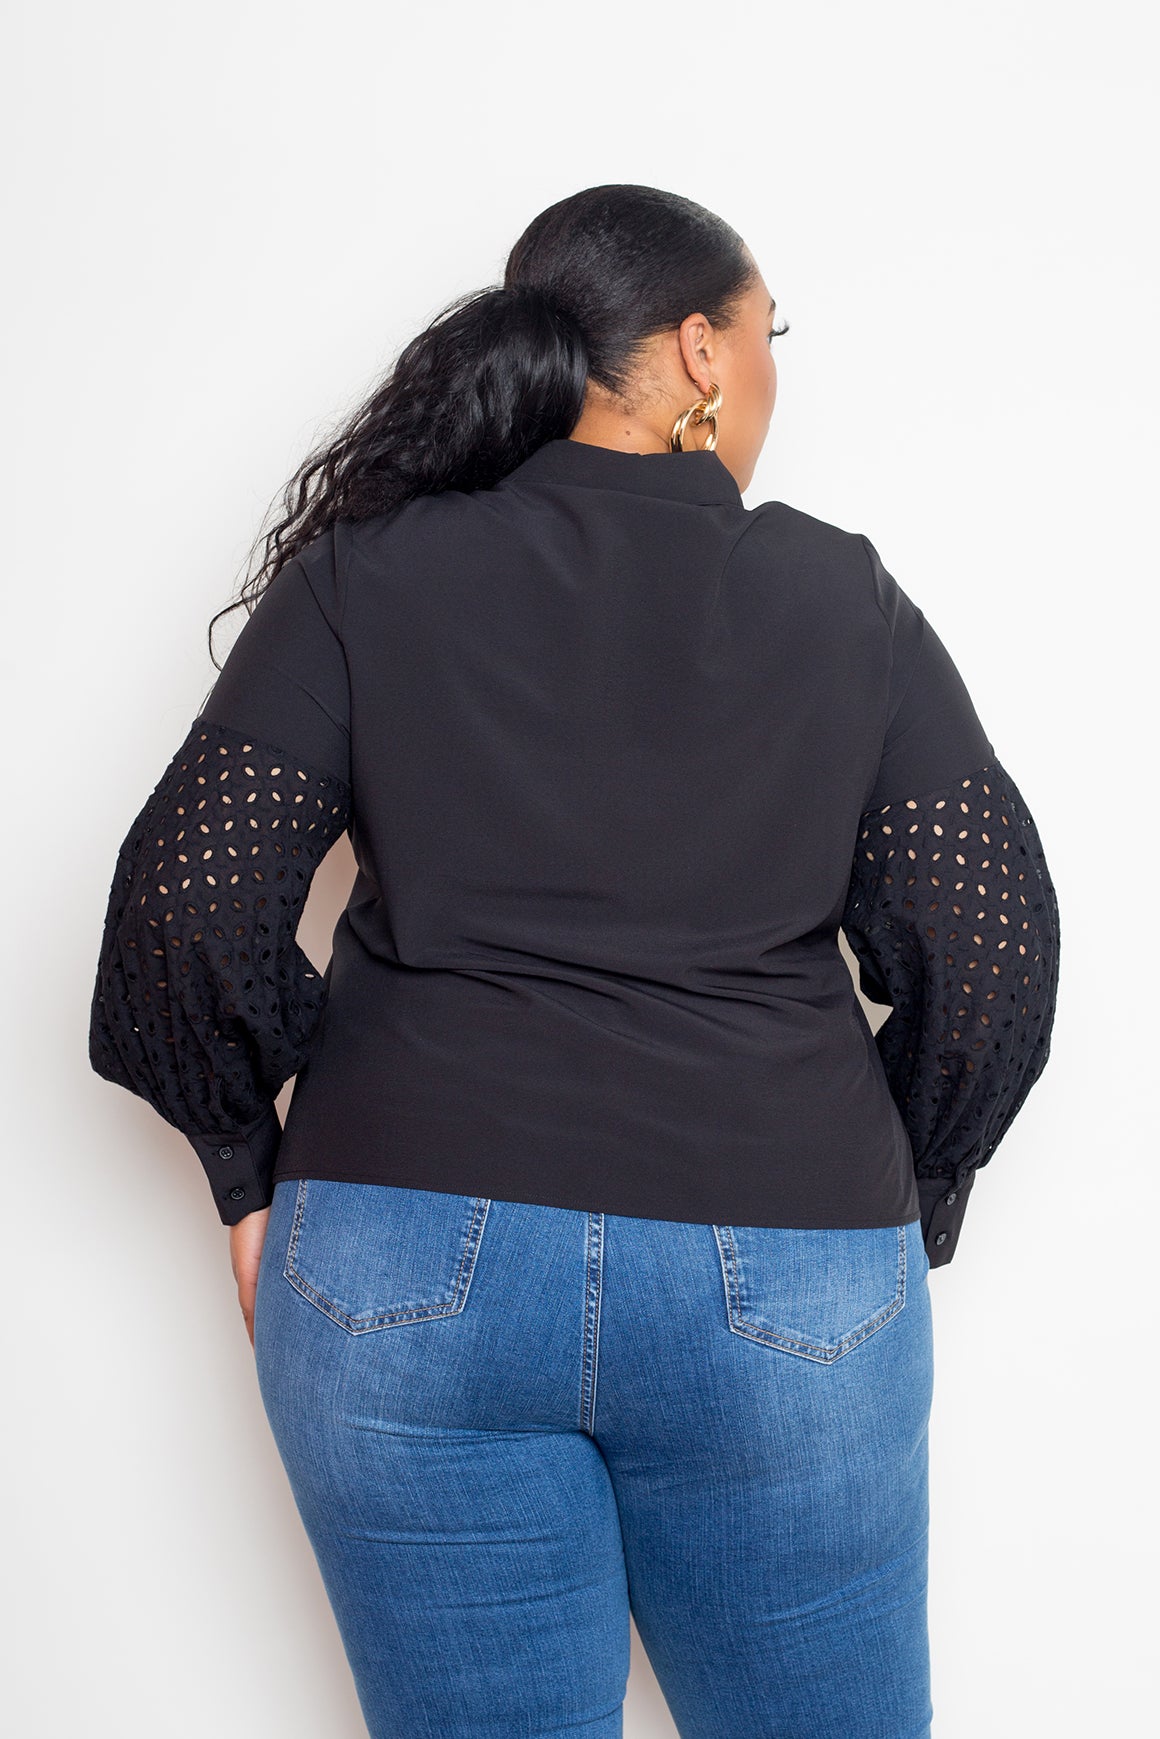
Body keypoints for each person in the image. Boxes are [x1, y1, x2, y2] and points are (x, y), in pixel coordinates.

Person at [88, 184, 1060, 1739]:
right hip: (785, 1266)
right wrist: (906, 1184)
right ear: (701, 352)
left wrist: (241, 1169)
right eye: (769, 333)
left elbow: (184, 906)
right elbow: (987, 951)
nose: (772, 369)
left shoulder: (367, 573)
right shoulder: (842, 599)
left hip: (398, 1265)